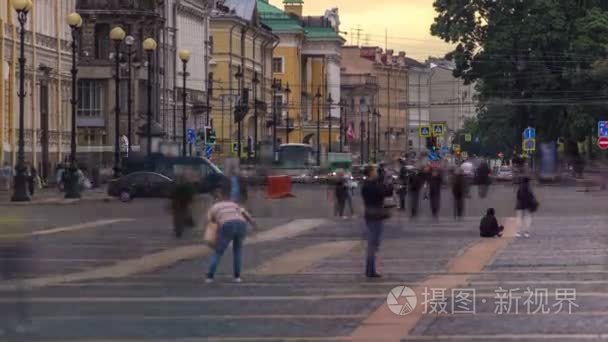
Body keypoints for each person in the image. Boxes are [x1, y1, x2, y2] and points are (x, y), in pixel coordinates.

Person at [205, 186, 256, 283]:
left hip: (227, 225)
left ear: (216, 198)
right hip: (241, 224)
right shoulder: (233, 204)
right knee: (237, 251)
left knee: (218, 252)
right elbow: (246, 214)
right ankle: (237, 277)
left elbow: (211, 222)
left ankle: (210, 276)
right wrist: (254, 225)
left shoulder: (214, 207)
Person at [361, 165, 390, 278]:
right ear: (371, 173)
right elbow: (384, 192)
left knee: (373, 243)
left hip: (371, 214)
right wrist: (384, 183)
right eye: (375, 171)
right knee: (373, 244)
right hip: (375, 215)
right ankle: (370, 270)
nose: (377, 172)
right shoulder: (371, 185)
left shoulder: (368, 185)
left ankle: (370, 269)